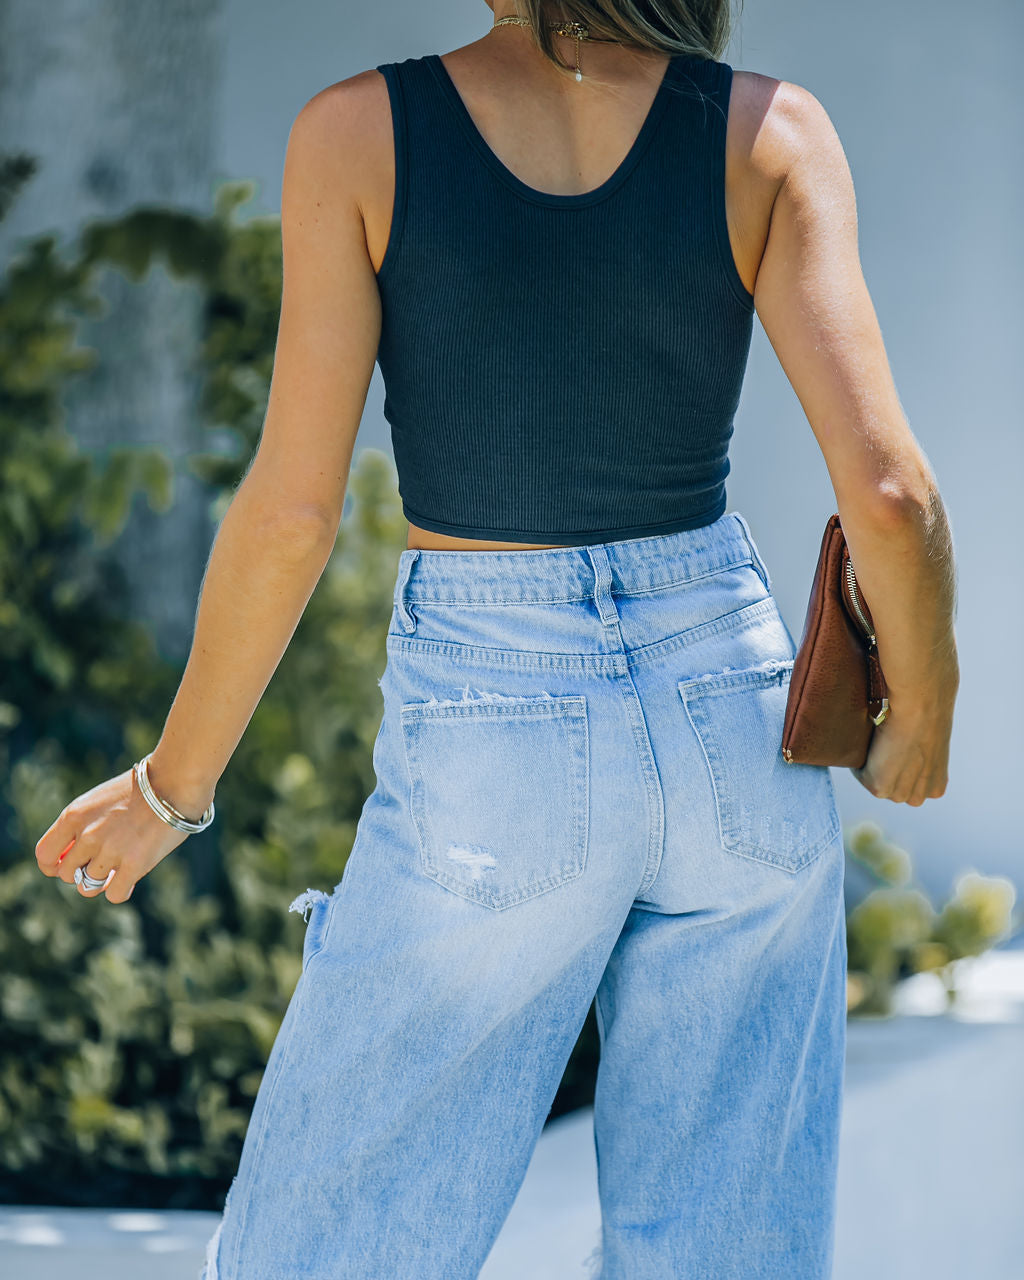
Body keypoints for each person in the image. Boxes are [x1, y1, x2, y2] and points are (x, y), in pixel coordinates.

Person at [33, 1, 960, 1276]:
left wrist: (169, 788)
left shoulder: (360, 134)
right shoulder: (771, 132)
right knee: (725, 1246)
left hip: (494, 714)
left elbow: (295, 515)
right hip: (730, 714)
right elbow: (893, 495)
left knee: (336, 1242)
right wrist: (920, 706)